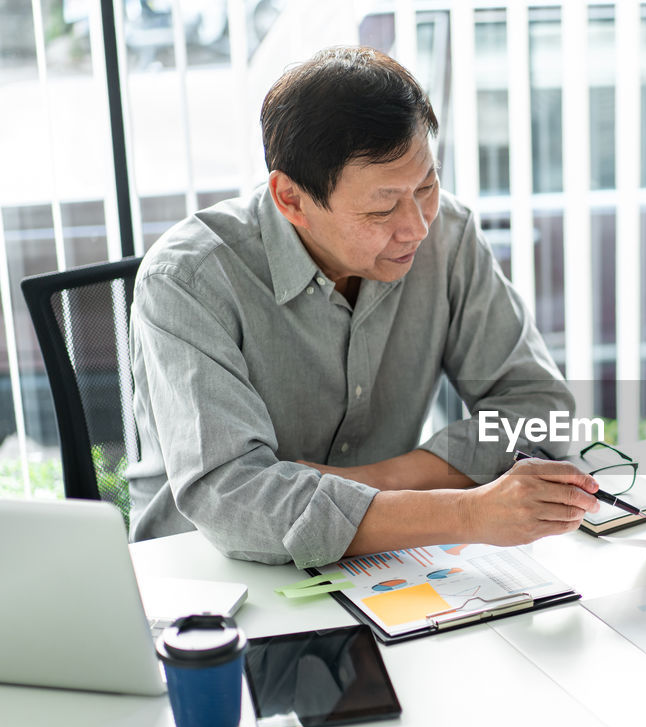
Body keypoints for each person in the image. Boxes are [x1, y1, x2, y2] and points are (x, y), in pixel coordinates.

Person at [128, 46, 600, 568]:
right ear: (291, 200)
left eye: (427, 186)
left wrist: (382, 481)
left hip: (379, 562)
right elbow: (234, 498)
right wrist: (465, 513)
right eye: (381, 209)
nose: (417, 226)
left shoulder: (448, 237)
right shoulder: (188, 280)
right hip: (207, 580)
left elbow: (539, 408)